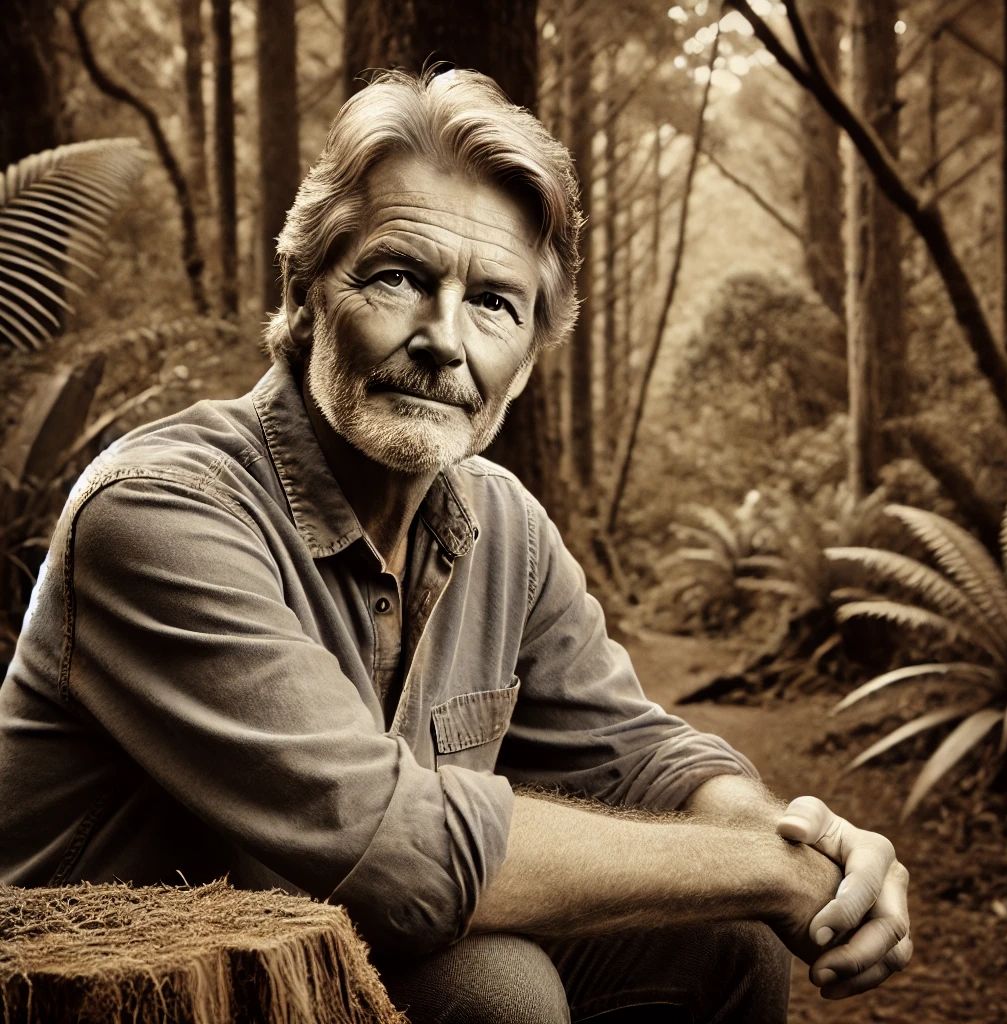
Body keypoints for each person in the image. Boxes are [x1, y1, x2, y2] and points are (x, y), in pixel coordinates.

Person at [0, 70, 910, 1022]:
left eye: (494, 303)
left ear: (526, 356)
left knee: (721, 951)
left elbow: (644, 760)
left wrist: (800, 847)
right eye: (398, 277)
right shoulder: (158, 510)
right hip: (120, 995)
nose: (443, 339)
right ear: (307, 292)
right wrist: (757, 869)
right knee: (495, 995)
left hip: (334, 961)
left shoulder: (502, 526)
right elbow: (388, 841)